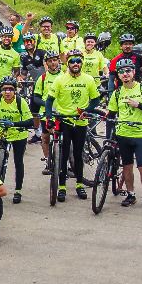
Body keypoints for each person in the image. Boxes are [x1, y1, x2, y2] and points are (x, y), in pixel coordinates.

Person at [45, 52, 101, 201]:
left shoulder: (88, 79)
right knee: (63, 155)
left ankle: (79, 184)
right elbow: (49, 101)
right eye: (72, 61)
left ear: (81, 63)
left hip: (81, 122)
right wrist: (49, 118)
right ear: (67, 64)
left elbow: (96, 100)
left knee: (78, 154)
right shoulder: (60, 79)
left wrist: (86, 111)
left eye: (78, 61)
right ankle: (62, 186)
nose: (75, 64)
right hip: (64, 121)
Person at [106, 58, 142, 208]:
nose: (125, 74)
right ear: (118, 75)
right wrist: (109, 135)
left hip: (140, 134)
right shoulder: (117, 93)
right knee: (127, 167)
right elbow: (111, 114)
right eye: (121, 72)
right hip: (123, 134)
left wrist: (139, 105)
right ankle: (130, 194)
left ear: (134, 72)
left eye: (128, 71)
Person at [0, 77, 33, 203]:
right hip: (2, 133)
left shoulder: (20, 101)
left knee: (18, 162)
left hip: (19, 135)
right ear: (1, 90)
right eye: (4, 89)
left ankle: (18, 190)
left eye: (11, 89)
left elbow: (30, 121)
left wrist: (14, 124)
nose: (7, 92)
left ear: (15, 91)